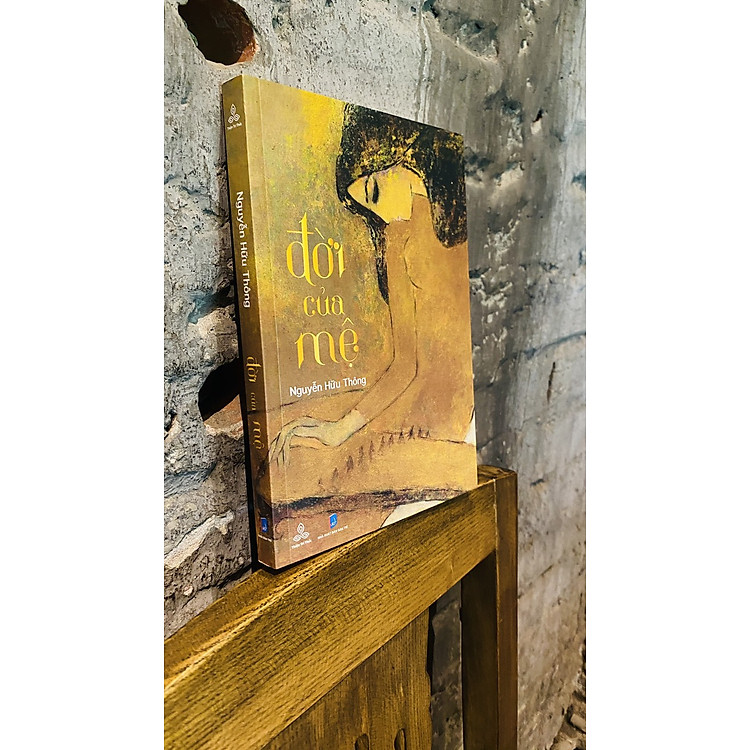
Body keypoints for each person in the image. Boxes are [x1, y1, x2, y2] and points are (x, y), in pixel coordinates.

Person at [269, 104, 475, 465]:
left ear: (403, 156)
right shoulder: (396, 239)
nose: (381, 215)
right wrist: (338, 430)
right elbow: (403, 366)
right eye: (369, 208)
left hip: (468, 412)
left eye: (375, 191)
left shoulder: (461, 207)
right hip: (438, 418)